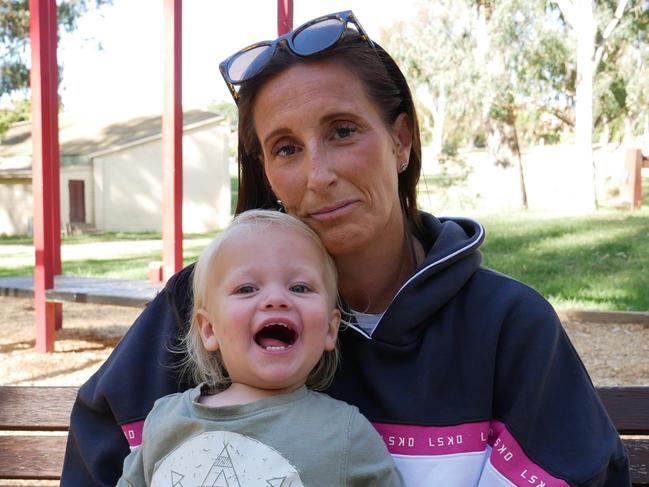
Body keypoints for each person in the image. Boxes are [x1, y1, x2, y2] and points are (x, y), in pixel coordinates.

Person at [62, 10, 630, 486]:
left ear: (401, 139)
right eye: (285, 148)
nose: (318, 174)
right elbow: (105, 451)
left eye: (342, 130)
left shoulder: (506, 324)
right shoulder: (206, 301)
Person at [115, 210, 402, 486]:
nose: (276, 299)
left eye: (300, 288)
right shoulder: (166, 420)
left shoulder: (347, 435)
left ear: (330, 329)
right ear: (209, 329)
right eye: (247, 289)